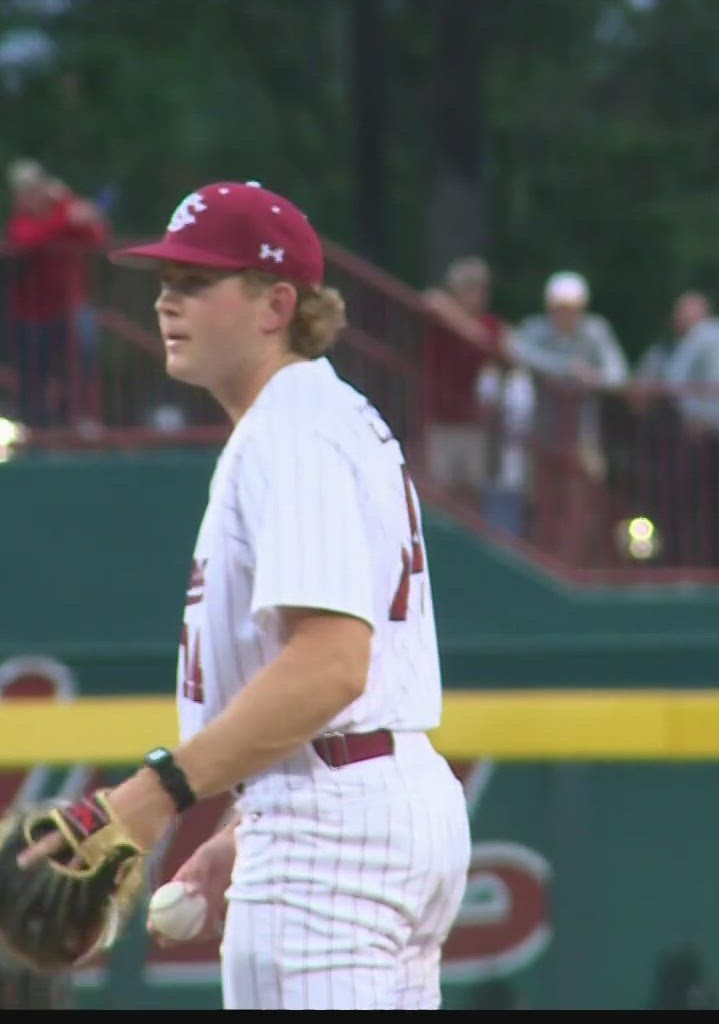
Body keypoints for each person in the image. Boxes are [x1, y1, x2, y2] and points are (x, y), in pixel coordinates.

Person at [84, 181, 473, 1009]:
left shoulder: (289, 429)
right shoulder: (323, 413)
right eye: (164, 282)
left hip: (329, 827)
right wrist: (239, 827)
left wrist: (155, 796)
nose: (165, 300)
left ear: (275, 305)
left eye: (195, 283)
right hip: (373, 795)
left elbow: (331, 665)